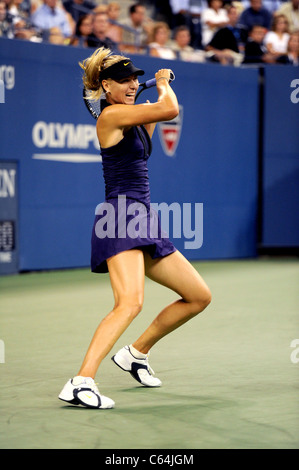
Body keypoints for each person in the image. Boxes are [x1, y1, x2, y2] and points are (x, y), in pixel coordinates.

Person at [58, 47, 212, 409]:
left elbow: (152, 122)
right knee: (129, 303)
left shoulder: (132, 119)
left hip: (144, 217)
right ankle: (81, 382)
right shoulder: (109, 118)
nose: (131, 84)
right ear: (105, 86)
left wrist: (151, 91)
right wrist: (161, 84)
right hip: (120, 218)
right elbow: (170, 109)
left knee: (199, 296)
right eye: (123, 80)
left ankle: (135, 353)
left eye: (133, 79)